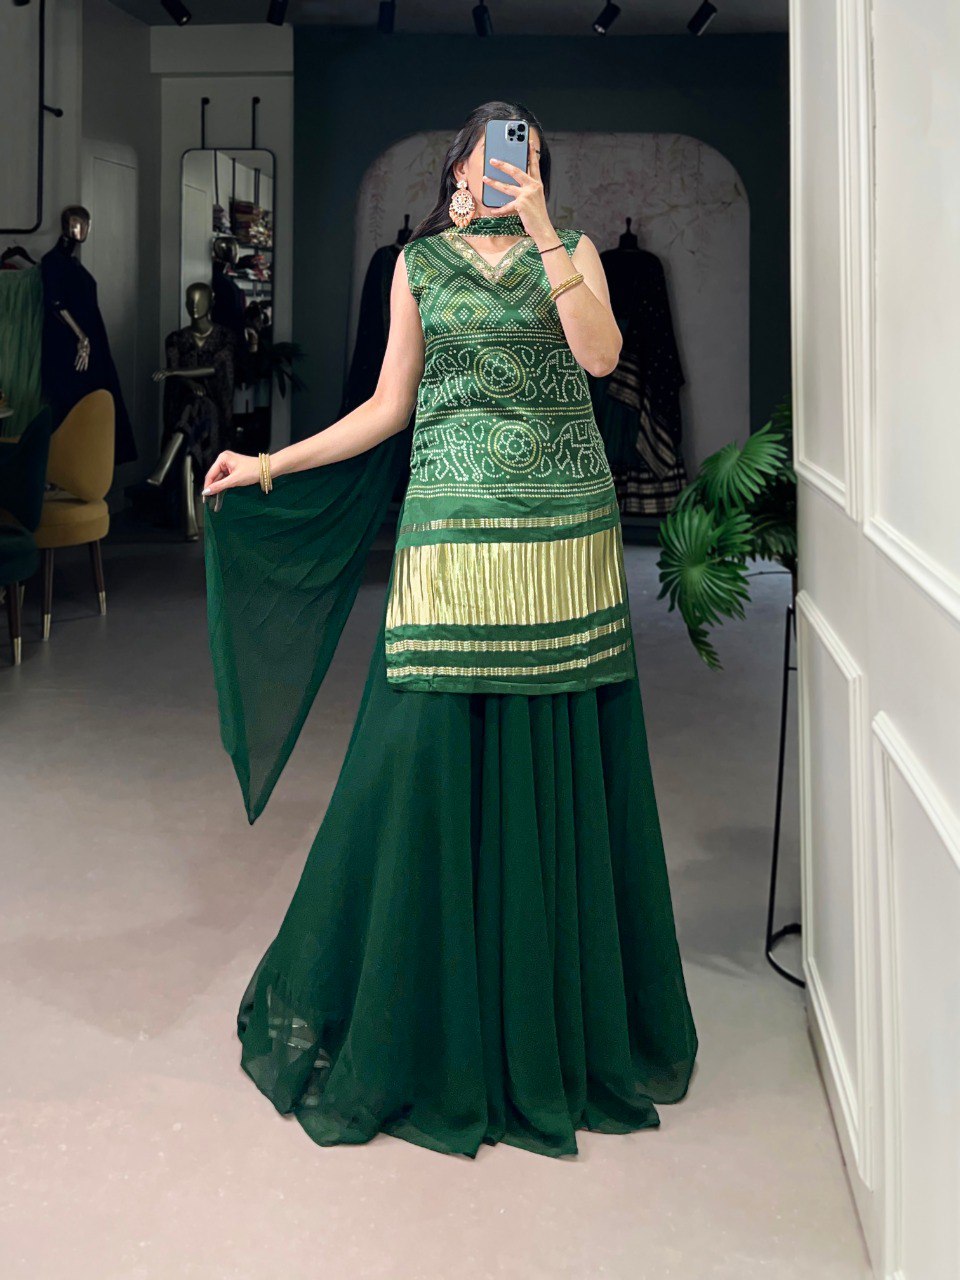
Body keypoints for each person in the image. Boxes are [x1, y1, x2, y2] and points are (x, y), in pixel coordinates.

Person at [200, 101, 698, 1160]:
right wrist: (271, 462)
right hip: (449, 534)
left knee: (556, 764)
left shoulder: (574, 252)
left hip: (561, 538)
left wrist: (548, 231)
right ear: (458, 167)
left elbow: (601, 359)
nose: (509, 168)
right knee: (419, 758)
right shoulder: (415, 266)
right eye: (494, 154)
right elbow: (389, 407)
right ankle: (426, 1016)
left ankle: (546, 1025)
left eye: (529, 157)